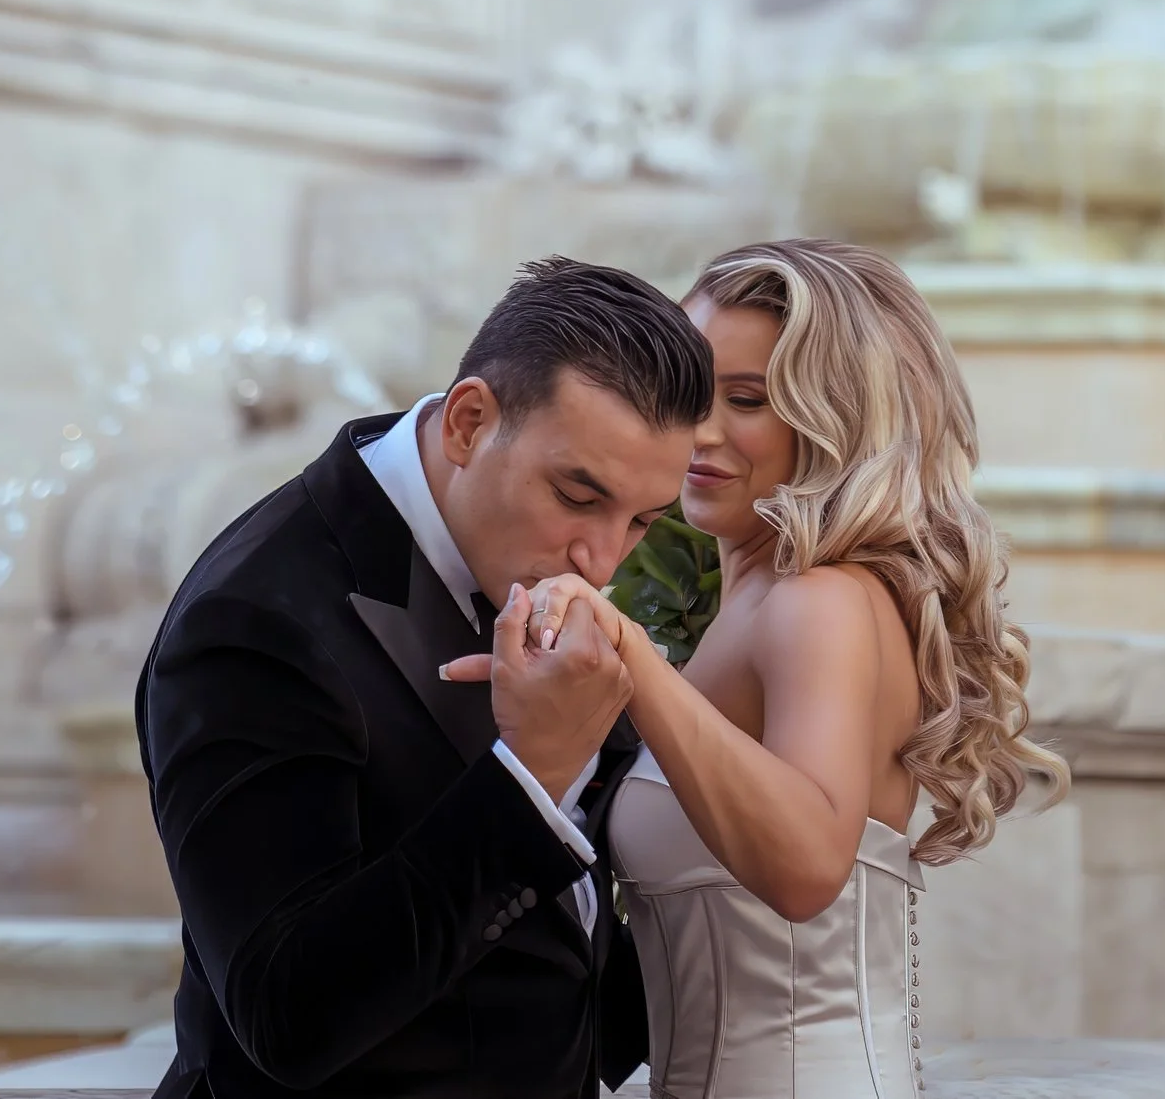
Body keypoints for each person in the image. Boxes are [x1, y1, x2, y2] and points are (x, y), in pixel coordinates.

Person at [481, 239, 1066, 1099]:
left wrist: (633, 659)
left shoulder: (816, 601)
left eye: (747, 399)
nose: (700, 432)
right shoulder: (759, 600)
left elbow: (804, 867)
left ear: (836, 415)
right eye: (690, 394)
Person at [136, 256, 712, 1099]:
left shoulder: (533, 574)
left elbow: (560, 948)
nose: (602, 561)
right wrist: (532, 778)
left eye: (641, 521)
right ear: (469, 423)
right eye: (577, 496)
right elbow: (286, 1015)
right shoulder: (253, 620)